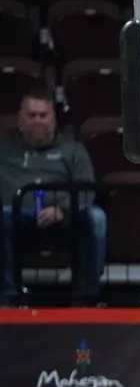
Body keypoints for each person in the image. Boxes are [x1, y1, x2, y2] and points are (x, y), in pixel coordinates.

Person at [0, 90, 103, 304]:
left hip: (63, 217)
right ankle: (8, 297)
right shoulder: (4, 148)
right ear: (20, 120)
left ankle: (87, 296)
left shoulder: (73, 150)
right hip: (13, 214)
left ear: (53, 119)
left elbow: (87, 188)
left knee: (97, 218)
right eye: (31, 115)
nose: (38, 121)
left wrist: (61, 210)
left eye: (43, 115)